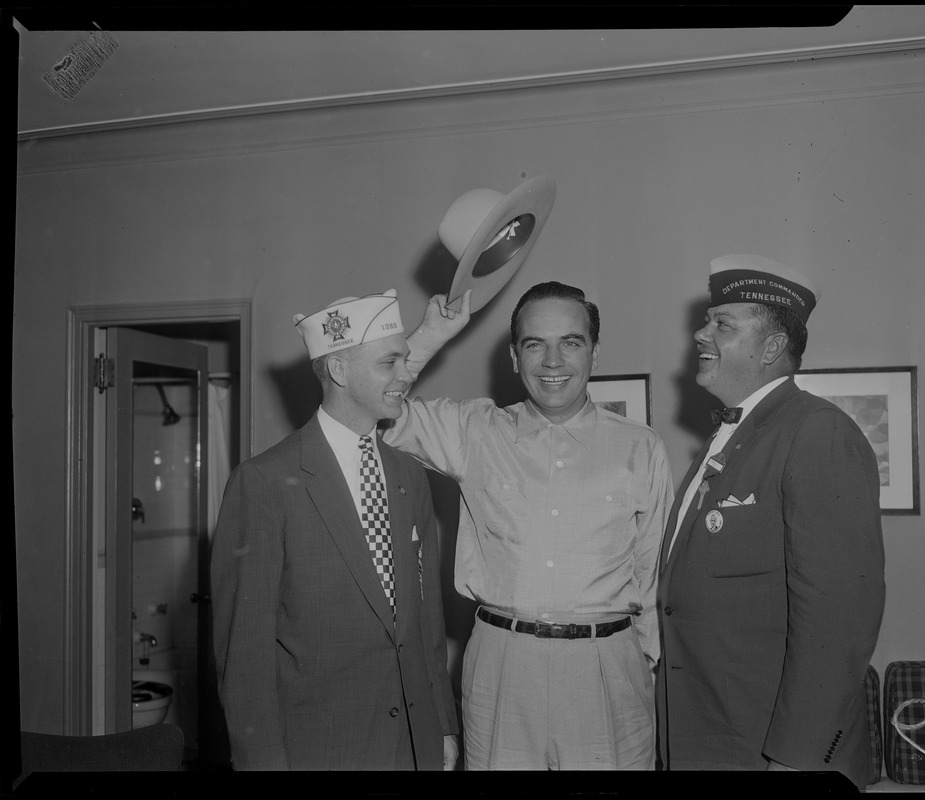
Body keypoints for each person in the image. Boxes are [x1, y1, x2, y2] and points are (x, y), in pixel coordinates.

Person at [382, 281, 674, 770]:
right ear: (515, 358)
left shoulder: (641, 448)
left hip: (608, 670)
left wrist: (634, 666)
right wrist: (430, 335)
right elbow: (376, 411)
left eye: (571, 342)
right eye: (535, 344)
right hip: (501, 669)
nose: (552, 361)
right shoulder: (473, 430)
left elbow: (652, 577)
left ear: (594, 355)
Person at [657, 254, 886, 787]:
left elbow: (840, 620)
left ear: (773, 348)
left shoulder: (817, 433)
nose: (699, 334)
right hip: (709, 738)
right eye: (707, 320)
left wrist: (800, 758)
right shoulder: (728, 441)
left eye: (722, 324)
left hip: (773, 754)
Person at [211, 289, 459, 770]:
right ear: (340, 372)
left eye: (405, 361)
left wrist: (443, 728)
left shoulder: (410, 477)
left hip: (415, 746)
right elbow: (245, 656)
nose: (406, 375)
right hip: (319, 753)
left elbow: (426, 623)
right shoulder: (264, 482)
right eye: (391, 363)